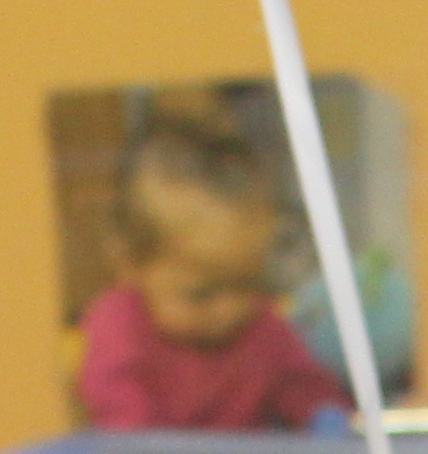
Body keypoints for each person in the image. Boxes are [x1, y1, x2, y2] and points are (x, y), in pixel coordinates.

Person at [72, 108, 350, 434]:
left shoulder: (262, 328)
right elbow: (118, 405)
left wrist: (328, 417)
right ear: (130, 265)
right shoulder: (121, 323)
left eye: (248, 283)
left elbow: (304, 384)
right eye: (201, 294)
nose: (231, 309)